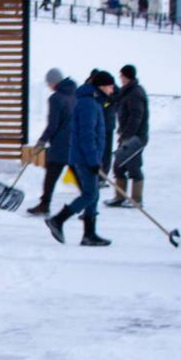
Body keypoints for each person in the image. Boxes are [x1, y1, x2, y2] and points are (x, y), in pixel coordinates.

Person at [44, 71, 112, 247]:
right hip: (85, 157)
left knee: (92, 195)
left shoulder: (92, 102)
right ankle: (58, 220)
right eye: (110, 86)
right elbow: (87, 135)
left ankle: (89, 234)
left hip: (87, 156)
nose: (112, 89)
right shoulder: (89, 104)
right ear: (101, 86)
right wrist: (93, 160)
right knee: (90, 194)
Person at [26, 67, 77, 216]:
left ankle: (44, 205)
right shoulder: (75, 95)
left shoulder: (56, 98)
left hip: (60, 145)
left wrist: (42, 142)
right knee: (80, 177)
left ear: (53, 82)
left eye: (48, 83)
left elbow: (53, 124)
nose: (48, 86)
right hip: (74, 143)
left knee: (51, 175)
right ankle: (89, 207)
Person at [106, 63, 149, 208]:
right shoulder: (127, 91)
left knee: (133, 166)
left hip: (135, 138)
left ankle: (136, 199)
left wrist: (128, 135)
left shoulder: (136, 93)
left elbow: (136, 116)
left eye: (122, 75)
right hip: (126, 136)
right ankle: (119, 196)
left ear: (127, 76)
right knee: (118, 166)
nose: (120, 78)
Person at [94, 69, 119, 174]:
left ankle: (104, 173)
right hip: (97, 125)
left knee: (106, 151)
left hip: (108, 125)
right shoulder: (92, 88)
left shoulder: (112, 89)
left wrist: (108, 101)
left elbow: (117, 96)